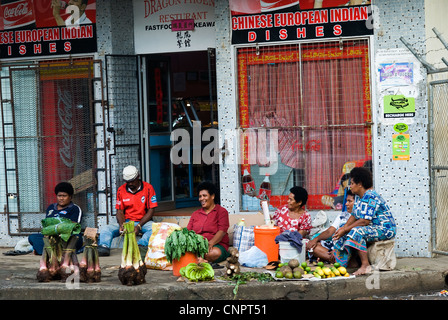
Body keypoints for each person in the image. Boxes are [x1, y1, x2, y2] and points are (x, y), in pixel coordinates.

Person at [332, 167, 397, 275]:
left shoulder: (370, 196)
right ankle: (350, 262)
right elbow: (354, 215)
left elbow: (364, 221)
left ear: (360, 184)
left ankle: (365, 265)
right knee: (343, 227)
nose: (350, 186)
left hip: (384, 229)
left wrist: (346, 229)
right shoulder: (358, 197)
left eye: (352, 183)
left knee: (357, 231)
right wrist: (343, 228)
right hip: (372, 228)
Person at [97, 165, 158, 256]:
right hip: (127, 222)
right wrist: (122, 225)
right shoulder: (121, 190)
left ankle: (140, 246)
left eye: (132, 181)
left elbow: (151, 210)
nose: (130, 184)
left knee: (154, 229)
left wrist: (139, 226)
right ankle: (104, 247)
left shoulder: (148, 188)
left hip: (143, 222)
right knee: (107, 229)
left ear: (138, 176)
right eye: (127, 182)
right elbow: (120, 211)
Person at [27, 182, 83, 255]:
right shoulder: (51, 208)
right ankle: (55, 251)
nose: (61, 198)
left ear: (70, 197)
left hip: (67, 236)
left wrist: (59, 230)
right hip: (52, 237)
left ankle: (46, 251)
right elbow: (47, 224)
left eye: (64, 196)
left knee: (76, 238)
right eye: (59, 196)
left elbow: (74, 225)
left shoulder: (75, 208)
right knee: (32, 237)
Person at [187, 181, 230, 264]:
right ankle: (201, 260)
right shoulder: (195, 214)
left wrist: (210, 243)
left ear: (212, 196)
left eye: (204, 196)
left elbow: (222, 231)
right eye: (200, 196)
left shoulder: (221, 211)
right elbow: (188, 231)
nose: (202, 199)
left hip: (216, 245)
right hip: (197, 246)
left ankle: (198, 259)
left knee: (213, 253)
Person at [306, 189, 355, 263]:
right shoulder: (342, 215)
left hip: (347, 247)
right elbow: (330, 231)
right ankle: (337, 259)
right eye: (346, 201)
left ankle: (335, 258)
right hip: (335, 246)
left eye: (349, 201)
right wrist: (315, 239)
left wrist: (336, 250)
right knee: (313, 247)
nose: (346, 204)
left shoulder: (360, 218)